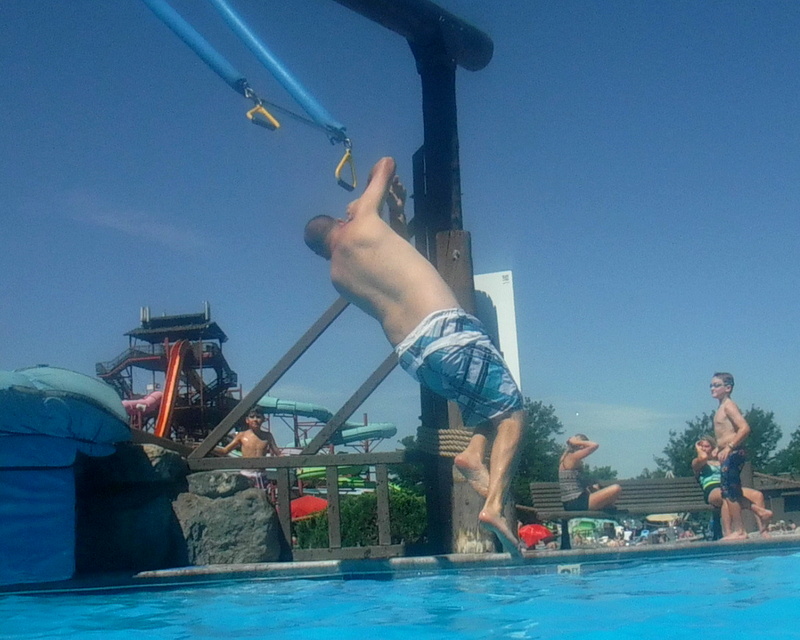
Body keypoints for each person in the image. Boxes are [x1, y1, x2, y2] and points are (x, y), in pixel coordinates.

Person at [304, 157, 525, 555]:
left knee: (484, 411)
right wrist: (363, 199)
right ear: (340, 222)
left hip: (415, 357)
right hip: (448, 333)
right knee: (512, 413)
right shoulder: (360, 222)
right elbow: (386, 163)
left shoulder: (338, 275)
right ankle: (494, 506)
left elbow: (396, 256)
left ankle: (472, 455)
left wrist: (397, 211)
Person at [691, 436, 772, 537]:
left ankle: (764, 531)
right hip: (712, 489)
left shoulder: (722, 459)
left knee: (757, 495)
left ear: (713, 447)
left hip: (727, 485)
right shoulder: (697, 462)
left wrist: (721, 450)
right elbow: (703, 457)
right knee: (726, 496)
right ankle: (729, 533)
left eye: (706, 446)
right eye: (701, 446)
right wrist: (698, 449)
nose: (703, 449)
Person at [710, 372, 756, 540]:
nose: (712, 388)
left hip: (734, 452)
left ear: (728, 388)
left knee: (730, 491)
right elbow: (727, 432)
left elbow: (744, 428)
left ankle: (740, 530)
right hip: (727, 452)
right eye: (711, 385)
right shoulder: (721, 407)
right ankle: (758, 514)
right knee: (728, 491)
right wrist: (718, 447)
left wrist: (729, 447)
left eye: (716, 385)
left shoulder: (729, 406)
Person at [218, 407, 281, 489]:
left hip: (261, 475)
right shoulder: (241, 435)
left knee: (263, 496)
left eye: (258, 417)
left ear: (263, 419)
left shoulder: (268, 436)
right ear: (247, 420)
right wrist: (208, 448)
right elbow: (224, 451)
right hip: (246, 474)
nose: (255, 419)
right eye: (252, 417)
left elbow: (278, 453)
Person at [558, 434, 621, 510]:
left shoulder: (566, 458)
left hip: (573, 502)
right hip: (576, 502)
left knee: (599, 489)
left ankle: (608, 510)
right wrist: (575, 441)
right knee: (616, 488)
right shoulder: (572, 457)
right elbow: (595, 445)